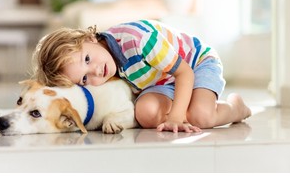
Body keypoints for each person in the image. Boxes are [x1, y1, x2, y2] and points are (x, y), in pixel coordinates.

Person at [32, 20, 251, 133]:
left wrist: (175, 117)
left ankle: (235, 107)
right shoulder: (105, 61)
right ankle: (187, 108)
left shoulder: (139, 41)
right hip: (162, 80)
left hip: (195, 63)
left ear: (89, 37)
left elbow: (184, 72)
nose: (96, 72)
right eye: (85, 79)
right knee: (145, 113)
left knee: (202, 116)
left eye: (87, 60)